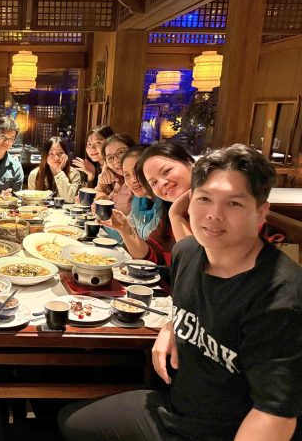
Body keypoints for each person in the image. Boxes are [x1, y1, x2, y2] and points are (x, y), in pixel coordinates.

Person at [59, 144, 302, 441]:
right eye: (204, 199)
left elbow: (274, 416)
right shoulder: (187, 252)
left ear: (261, 212)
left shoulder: (281, 297)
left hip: (221, 432)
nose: (214, 215)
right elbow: (203, 308)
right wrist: (172, 325)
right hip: (174, 409)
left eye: (234, 203)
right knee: (69, 421)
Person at [101, 142, 194, 265]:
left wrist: (176, 216)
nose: (162, 183)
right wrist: (125, 229)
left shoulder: (212, 208)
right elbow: (153, 255)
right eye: (154, 182)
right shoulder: (168, 209)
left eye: (166, 171)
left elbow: (193, 269)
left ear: (190, 163)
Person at [98, 146, 163, 256]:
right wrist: (113, 222)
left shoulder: (166, 204)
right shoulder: (139, 199)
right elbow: (127, 235)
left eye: (137, 172)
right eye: (126, 175)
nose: (132, 180)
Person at [27, 136, 81, 203]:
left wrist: (59, 172)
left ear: (66, 155)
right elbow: (31, 202)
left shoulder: (74, 174)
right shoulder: (35, 174)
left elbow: (70, 199)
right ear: (45, 156)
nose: (56, 158)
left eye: (60, 153)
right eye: (51, 153)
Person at [94, 133, 136, 215]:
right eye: (110, 158)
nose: (116, 161)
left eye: (121, 152)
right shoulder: (119, 180)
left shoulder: (138, 182)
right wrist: (101, 187)